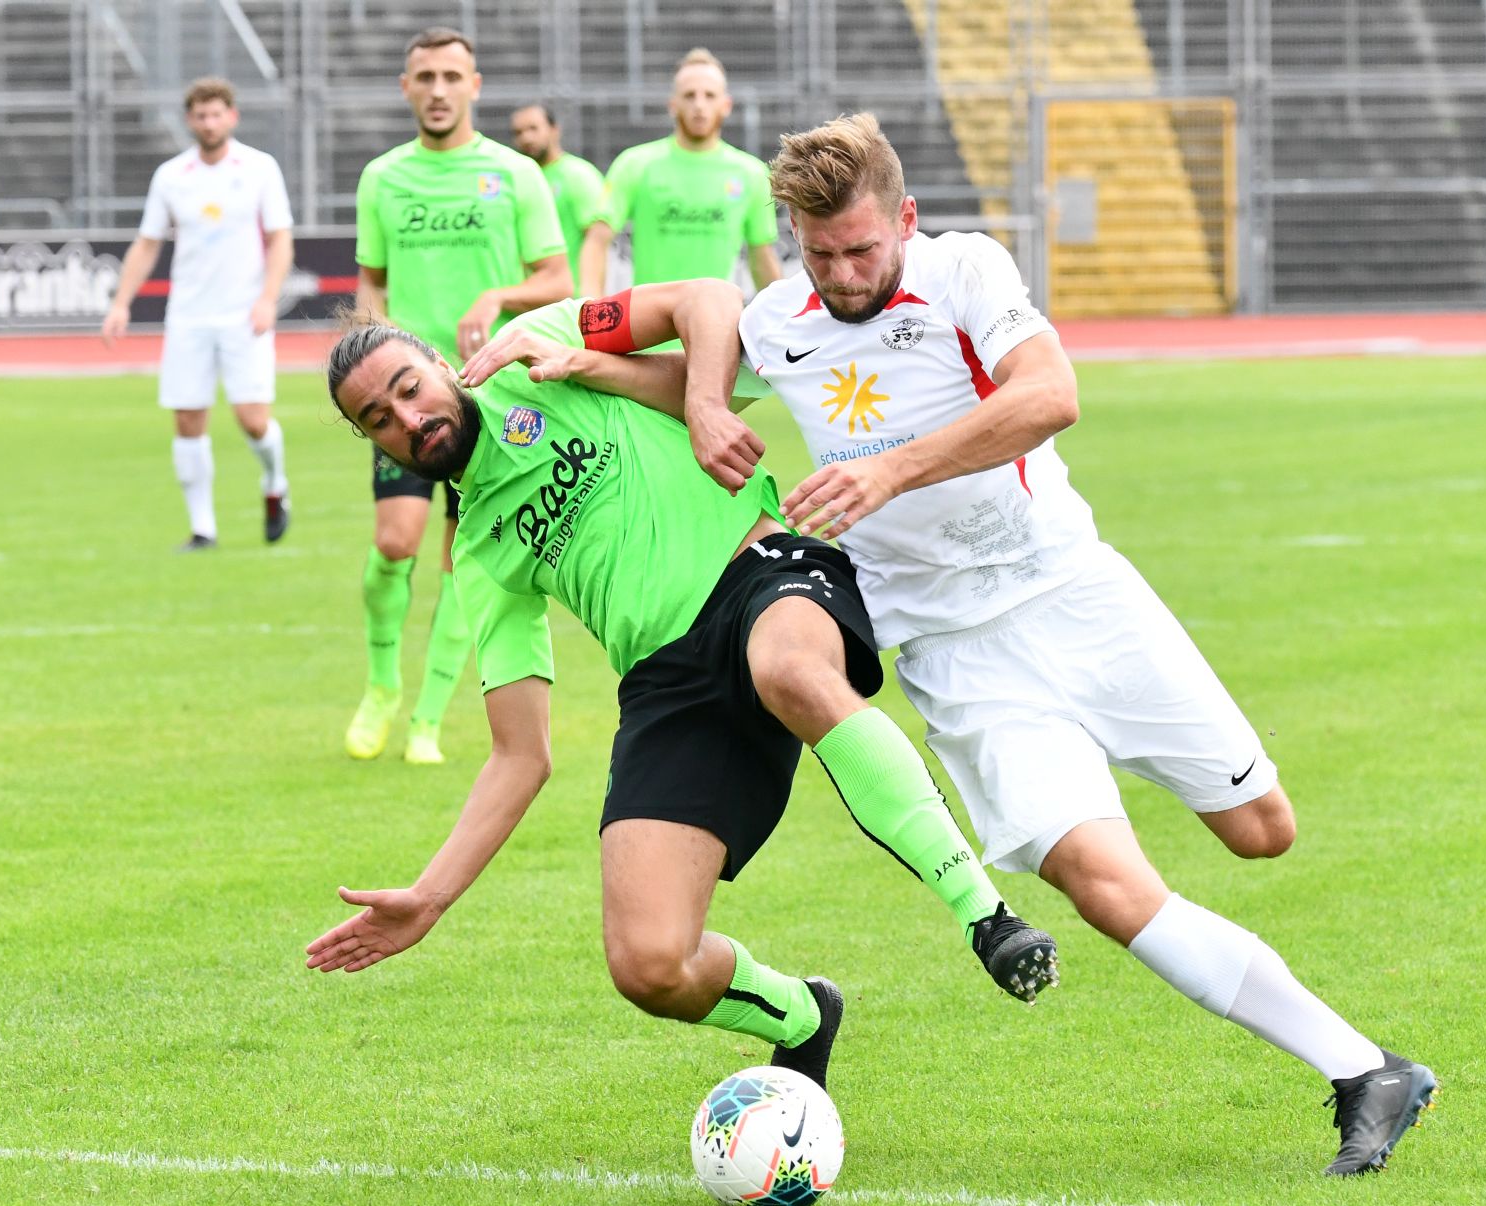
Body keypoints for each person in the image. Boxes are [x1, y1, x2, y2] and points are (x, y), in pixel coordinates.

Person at [710, 114, 1429, 1176]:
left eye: (862, 248)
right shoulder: (777, 319)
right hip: (955, 656)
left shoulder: (963, 271)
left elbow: (1052, 395)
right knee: (1101, 881)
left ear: (904, 219)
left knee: (1261, 830)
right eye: (819, 252)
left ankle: (1345, 1036)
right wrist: (634, 383)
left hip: (1077, 597)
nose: (843, 273)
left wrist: (890, 470)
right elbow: (683, 328)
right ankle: (1365, 1069)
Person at [305, 281, 1062, 1093]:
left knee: (789, 669)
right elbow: (519, 754)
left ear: (438, 363)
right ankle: (804, 1015)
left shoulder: (541, 343)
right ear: (372, 445)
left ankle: (986, 916)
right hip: (668, 687)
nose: (409, 419)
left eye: (408, 388)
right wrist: (430, 896)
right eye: (378, 420)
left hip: (760, 571)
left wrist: (703, 405)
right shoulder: (482, 551)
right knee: (649, 963)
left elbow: (705, 301)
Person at [348, 27, 573, 765]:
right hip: (406, 403)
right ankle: (382, 687)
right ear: (406, 87)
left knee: (461, 561)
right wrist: (378, 350)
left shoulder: (514, 174)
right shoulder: (383, 177)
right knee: (393, 544)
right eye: (425, 77)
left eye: (452, 76)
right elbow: (371, 284)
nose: (438, 89)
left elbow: (556, 279)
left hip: (487, 397)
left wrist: (496, 294)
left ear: (474, 85)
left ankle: (428, 719)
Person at [101, 76, 293, 550]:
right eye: (200, 116)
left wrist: (268, 297)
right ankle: (203, 528)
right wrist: (121, 301)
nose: (209, 123)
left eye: (216, 114)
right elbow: (148, 243)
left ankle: (275, 483)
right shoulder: (171, 176)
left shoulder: (259, 168)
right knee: (188, 420)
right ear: (191, 121)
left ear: (232, 116)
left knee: (252, 419)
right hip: (188, 316)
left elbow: (280, 239)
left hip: (244, 314)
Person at [576, 48, 782, 299]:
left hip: (716, 330)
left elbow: (761, 257)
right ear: (672, 104)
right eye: (689, 95)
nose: (699, 105)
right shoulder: (635, 164)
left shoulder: (751, 173)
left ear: (726, 105)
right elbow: (597, 241)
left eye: (709, 95)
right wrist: (588, 309)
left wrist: (784, 320)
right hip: (648, 333)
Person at [509, 103, 607, 288]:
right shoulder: (518, 178)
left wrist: (592, 300)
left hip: (572, 303)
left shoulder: (579, 174)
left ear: (555, 130)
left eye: (533, 129)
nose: (526, 138)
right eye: (518, 132)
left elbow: (597, 241)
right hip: (530, 300)